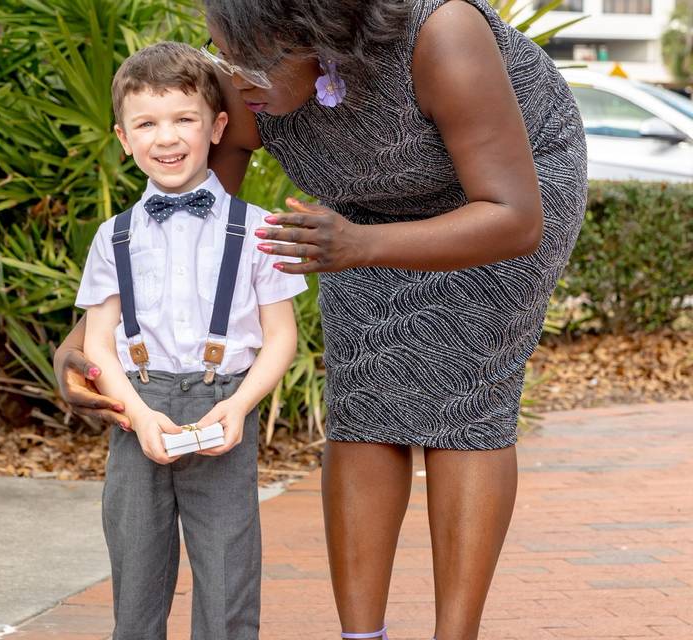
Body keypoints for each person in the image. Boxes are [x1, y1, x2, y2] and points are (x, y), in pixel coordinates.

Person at [56, 1, 588, 638]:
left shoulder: (441, 35)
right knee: (362, 396)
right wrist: (87, 341)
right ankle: (360, 636)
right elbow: (197, 235)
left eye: (255, 61)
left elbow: (514, 216)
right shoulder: (241, 78)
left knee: (466, 399)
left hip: (499, 203)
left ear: (319, 34)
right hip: (357, 212)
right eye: (224, 54)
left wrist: (361, 246)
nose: (235, 78)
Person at [74, 41, 307, 640]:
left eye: (184, 119)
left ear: (216, 126)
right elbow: (98, 341)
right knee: (136, 576)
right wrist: (137, 414)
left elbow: (281, 337)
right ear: (124, 137)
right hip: (139, 415)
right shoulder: (114, 236)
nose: (166, 138)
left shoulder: (258, 230)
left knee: (229, 578)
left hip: (223, 408)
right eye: (146, 123)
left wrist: (237, 406)